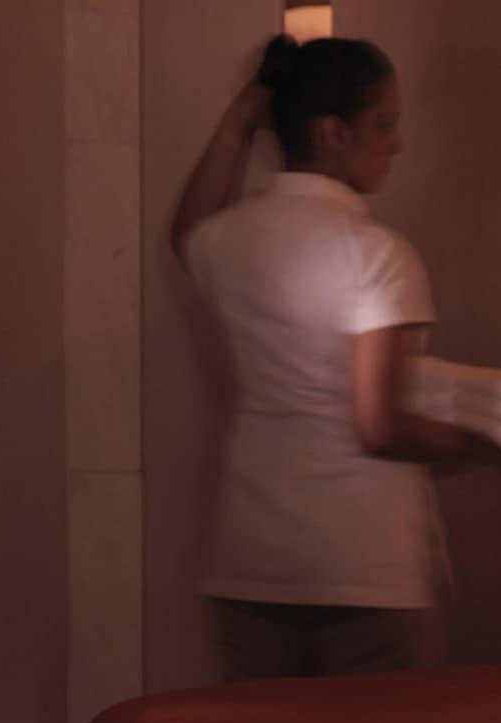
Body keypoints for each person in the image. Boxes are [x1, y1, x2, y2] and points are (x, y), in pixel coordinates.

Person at [171, 35, 484, 681]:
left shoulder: (225, 239)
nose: (395, 143)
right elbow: (379, 425)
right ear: (332, 132)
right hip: (360, 567)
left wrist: (241, 117)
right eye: (384, 124)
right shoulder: (376, 252)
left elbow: (186, 228)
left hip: (248, 555)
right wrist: (486, 440)